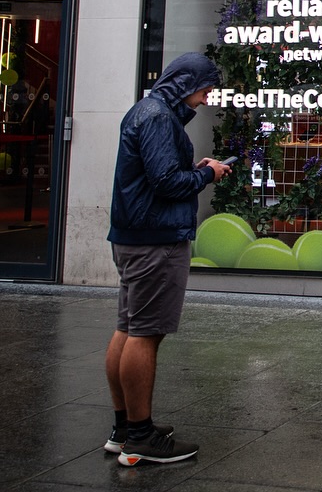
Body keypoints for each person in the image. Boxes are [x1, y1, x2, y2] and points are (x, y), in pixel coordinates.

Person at [104, 52, 230, 467]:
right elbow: (165, 183)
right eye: (206, 86)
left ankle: (125, 428)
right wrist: (206, 175)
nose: (208, 94)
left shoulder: (148, 112)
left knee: (128, 327)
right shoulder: (158, 117)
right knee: (146, 333)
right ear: (186, 82)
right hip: (154, 239)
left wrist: (192, 169)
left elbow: (156, 173)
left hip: (136, 235)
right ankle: (139, 436)